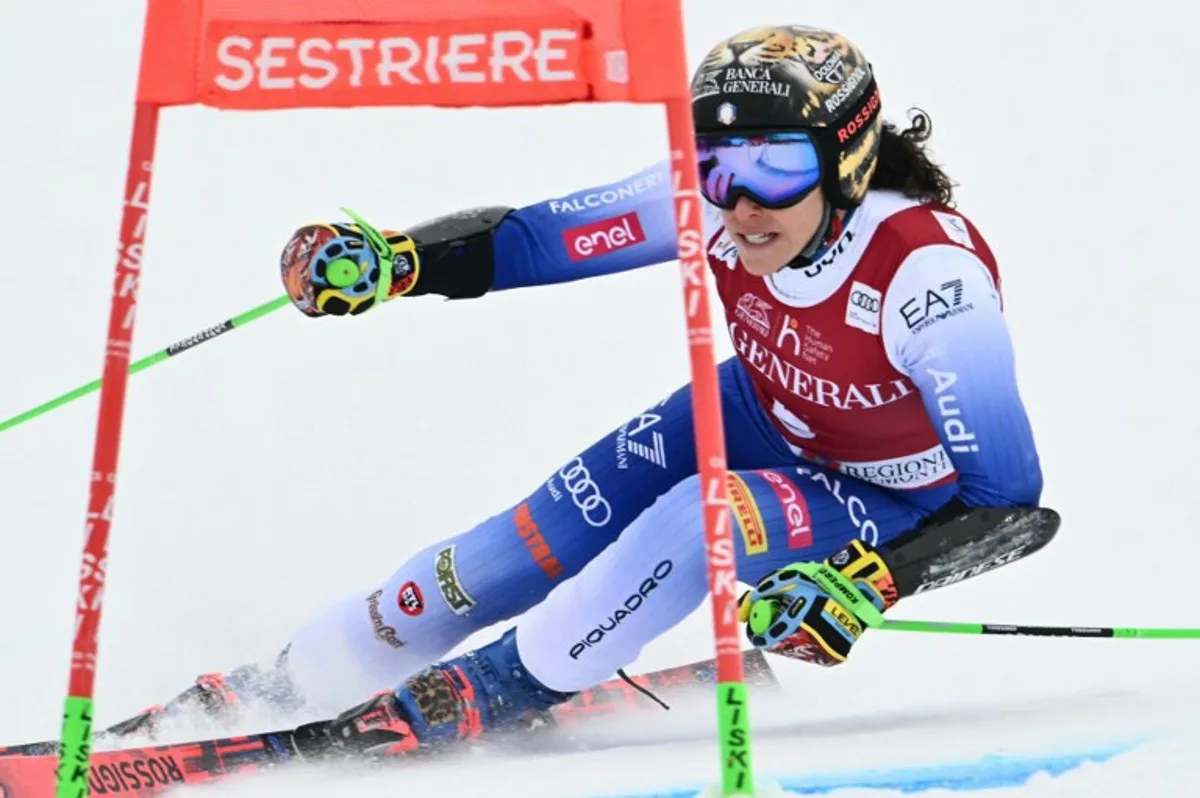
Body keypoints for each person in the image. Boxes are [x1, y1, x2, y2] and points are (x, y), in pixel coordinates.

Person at [125, 24, 1044, 753]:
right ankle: (287, 681)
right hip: (756, 411)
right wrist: (400, 261)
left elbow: (1009, 504)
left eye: (778, 168)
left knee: (700, 521)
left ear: (847, 159)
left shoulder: (928, 278)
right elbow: (539, 239)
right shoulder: (720, 199)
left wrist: (867, 583)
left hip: (884, 493)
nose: (743, 203)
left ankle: (491, 692)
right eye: (720, 167)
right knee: (511, 551)